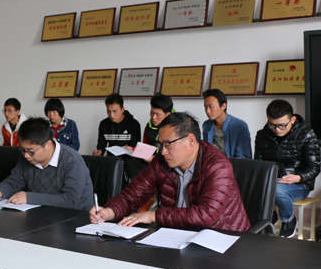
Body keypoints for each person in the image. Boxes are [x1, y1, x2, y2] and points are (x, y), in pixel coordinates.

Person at [90, 112, 250, 232]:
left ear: (191, 140)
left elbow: (206, 215)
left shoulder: (218, 166)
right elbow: (134, 193)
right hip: (176, 234)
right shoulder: (162, 161)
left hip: (222, 237)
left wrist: (153, 216)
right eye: (161, 145)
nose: (163, 151)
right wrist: (110, 211)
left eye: (168, 144)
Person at [0, 117, 92, 209]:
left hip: (76, 217)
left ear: (48, 145)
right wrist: (0, 192)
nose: (26, 155)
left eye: (31, 151)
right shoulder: (28, 157)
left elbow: (70, 201)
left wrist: (28, 197)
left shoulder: (72, 161)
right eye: (22, 149)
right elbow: (14, 181)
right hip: (42, 214)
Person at [254, 100, 321, 238]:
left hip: (299, 184)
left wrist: (298, 177)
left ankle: (288, 220)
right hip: (271, 182)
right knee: (247, 187)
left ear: (293, 120)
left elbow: (314, 167)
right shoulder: (262, 135)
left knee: (277, 191)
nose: (277, 129)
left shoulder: (306, 134)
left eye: (282, 125)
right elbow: (259, 164)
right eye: (272, 125)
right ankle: (268, 216)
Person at [202, 89, 252, 159]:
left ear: (223, 106)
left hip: (233, 165)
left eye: (211, 107)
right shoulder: (206, 125)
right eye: (205, 107)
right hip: (213, 164)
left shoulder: (240, 126)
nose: (207, 111)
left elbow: (243, 158)